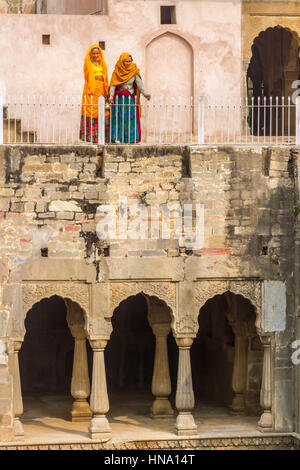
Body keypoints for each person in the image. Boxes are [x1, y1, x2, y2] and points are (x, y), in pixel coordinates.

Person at [109, 53, 151, 143]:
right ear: (122, 62)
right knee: (118, 118)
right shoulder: (117, 71)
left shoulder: (134, 71)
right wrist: (111, 96)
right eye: (126, 61)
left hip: (129, 98)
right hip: (119, 99)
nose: (128, 63)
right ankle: (117, 138)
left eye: (130, 61)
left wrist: (145, 93)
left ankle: (130, 139)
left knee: (131, 118)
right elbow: (113, 85)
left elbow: (139, 84)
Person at [80, 44, 109, 143]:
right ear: (91, 54)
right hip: (92, 89)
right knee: (92, 110)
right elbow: (87, 75)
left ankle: (102, 137)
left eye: (97, 53)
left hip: (102, 88)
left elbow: (105, 76)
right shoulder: (88, 63)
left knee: (103, 111)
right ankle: (92, 137)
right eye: (94, 53)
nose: (96, 55)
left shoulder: (102, 63)